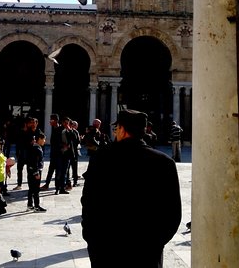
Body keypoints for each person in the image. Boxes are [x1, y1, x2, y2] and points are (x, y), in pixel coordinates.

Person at [81, 109, 181, 268]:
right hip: (147, 255)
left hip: (107, 253)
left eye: (116, 128)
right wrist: (154, 245)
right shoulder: (164, 163)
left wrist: (93, 243)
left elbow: (89, 204)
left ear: (122, 130)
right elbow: (173, 215)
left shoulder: (102, 159)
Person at [15, 117, 40, 190]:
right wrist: (17, 152)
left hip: (29, 154)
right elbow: (18, 143)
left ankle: (31, 185)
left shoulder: (33, 131)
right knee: (19, 169)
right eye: (30, 123)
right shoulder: (22, 131)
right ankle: (19, 184)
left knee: (30, 170)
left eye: (32, 123)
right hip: (22, 153)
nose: (31, 124)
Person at [26, 131, 47, 212]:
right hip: (35, 172)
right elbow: (34, 162)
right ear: (39, 139)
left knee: (31, 189)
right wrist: (36, 172)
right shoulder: (37, 149)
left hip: (31, 171)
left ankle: (30, 205)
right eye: (44, 139)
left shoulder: (33, 147)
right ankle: (37, 206)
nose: (44, 141)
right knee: (36, 189)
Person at [42, 114, 62, 190]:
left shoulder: (60, 130)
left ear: (56, 120)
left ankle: (57, 187)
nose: (50, 121)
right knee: (51, 170)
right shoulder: (54, 128)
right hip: (53, 154)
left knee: (57, 171)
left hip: (58, 154)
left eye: (51, 120)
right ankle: (47, 184)